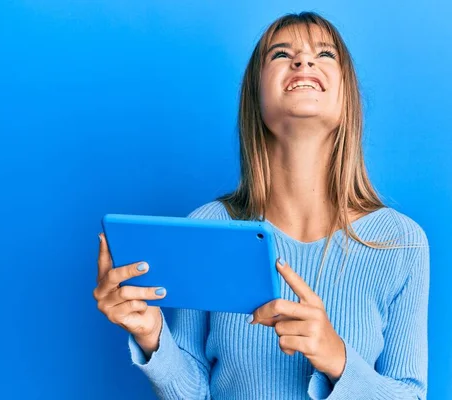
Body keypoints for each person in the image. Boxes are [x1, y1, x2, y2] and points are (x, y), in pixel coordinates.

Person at [93, 11, 430, 400]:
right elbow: (192, 394)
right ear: (257, 96)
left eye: (325, 55)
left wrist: (336, 359)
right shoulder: (209, 226)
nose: (303, 61)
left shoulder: (400, 242)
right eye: (282, 54)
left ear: (347, 97)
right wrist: (152, 337)